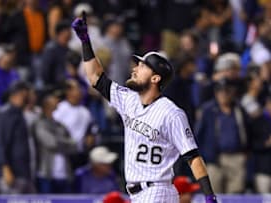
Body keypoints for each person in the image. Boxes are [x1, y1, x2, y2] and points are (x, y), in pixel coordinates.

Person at [71, 15, 217, 202]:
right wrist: (85, 41)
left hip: (157, 190)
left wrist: (209, 196)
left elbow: (193, 157)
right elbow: (95, 78)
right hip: (137, 193)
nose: (135, 69)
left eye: (142, 66)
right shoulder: (128, 99)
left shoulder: (171, 113)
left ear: (155, 78)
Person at [0, 81, 33, 193]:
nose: (25, 98)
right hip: (11, 172)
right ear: (13, 96)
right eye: (22, 95)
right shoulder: (6, 114)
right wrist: (5, 168)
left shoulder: (19, 114)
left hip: (22, 172)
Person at [33, 94, 77, 193]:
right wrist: (65, 142)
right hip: (46, 174)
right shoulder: (40, 124)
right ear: (46, 106)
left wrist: (59, 142)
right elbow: (50, 143)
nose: (57, 106)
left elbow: (74, 145)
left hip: (64, 174)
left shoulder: (60, 125)